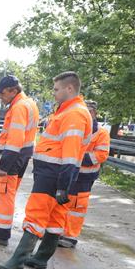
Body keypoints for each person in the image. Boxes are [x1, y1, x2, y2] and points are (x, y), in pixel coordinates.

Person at [0, 71, 92, 269]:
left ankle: (18, 260)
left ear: (69, 88)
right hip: (59, 174)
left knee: (35, 215)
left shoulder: (73, 114)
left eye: (56, 89)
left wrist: (63, 183)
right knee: (56, 218)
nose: (54, 93)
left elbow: (71, 153)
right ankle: (41, 258)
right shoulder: (70, 111)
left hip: (53, 173)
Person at [0, 75, 40, 246]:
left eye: (2, 93)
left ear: (13, 90)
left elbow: (15, 138)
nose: (0, 96)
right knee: (7, 193)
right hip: (21, 155)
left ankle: (0, 233)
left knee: (4, 193)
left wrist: (4, 165)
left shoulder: (19, 107)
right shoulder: (27, 103)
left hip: (14, 156)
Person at [58, 100, 110, 248]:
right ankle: (57, 232)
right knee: (62, 202)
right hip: (69, 173)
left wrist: (78, 157)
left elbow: (101, 155)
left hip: (84, 177)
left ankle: (70, 236)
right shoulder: (74, 127)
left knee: (77, 207)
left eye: (90, 111)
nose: (87, 113)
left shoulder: (101, 133)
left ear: (95, 113)